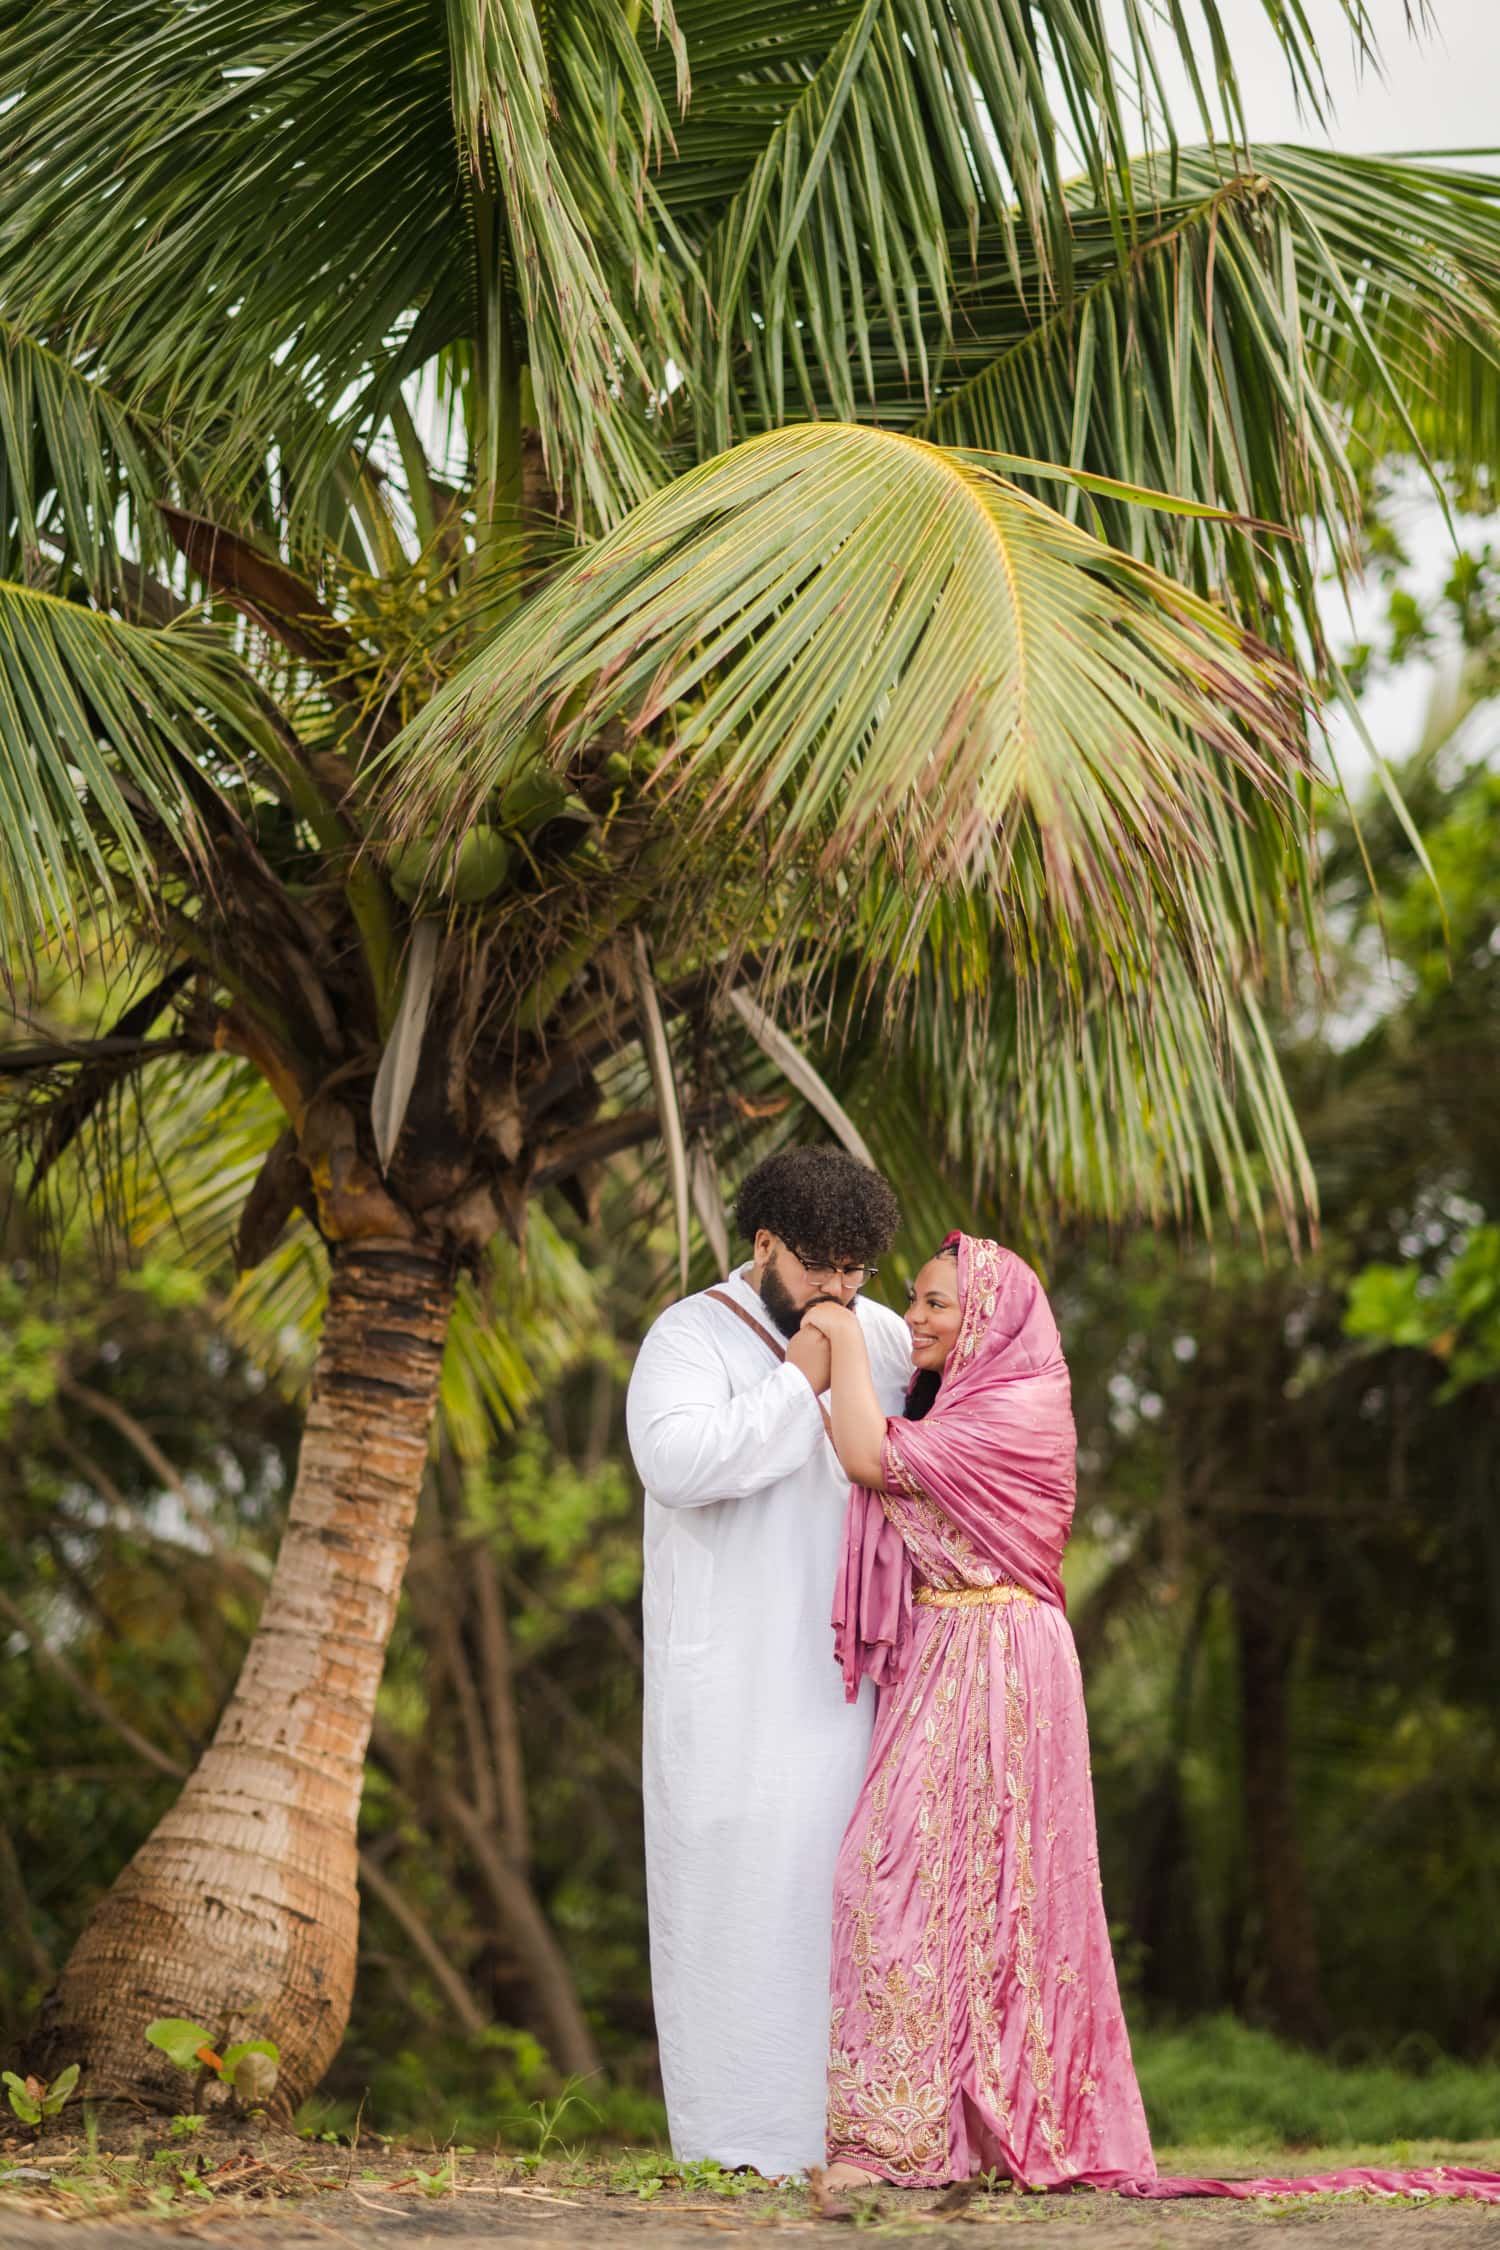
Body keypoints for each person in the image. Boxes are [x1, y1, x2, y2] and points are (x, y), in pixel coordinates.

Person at [802, 1232, 1154, 2191]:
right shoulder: (961, 1400)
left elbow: (871, 1455)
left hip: (1002, 1659)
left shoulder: (1024, 1406)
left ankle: (899, 2145)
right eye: (912, 1301)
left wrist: (832, 1323)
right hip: (948, 1654)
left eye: (935, 1304)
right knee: (915, 1883)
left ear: (987, 1318)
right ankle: (919, 2133)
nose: (915, 1318)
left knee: (928, 1883)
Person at [626, 1147, 915, 2179]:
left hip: (852, 1682)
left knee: (845, 1900)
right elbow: (678, 1464)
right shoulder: (689, 1336)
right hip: (729, 1683)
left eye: (857, 1270)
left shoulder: (884, 1336)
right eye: (819, 1267)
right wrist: (801, 1380)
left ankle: (862, 2139)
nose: (838, 1290)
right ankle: (737, 2146)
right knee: (732, 1903)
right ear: (762, 1246)